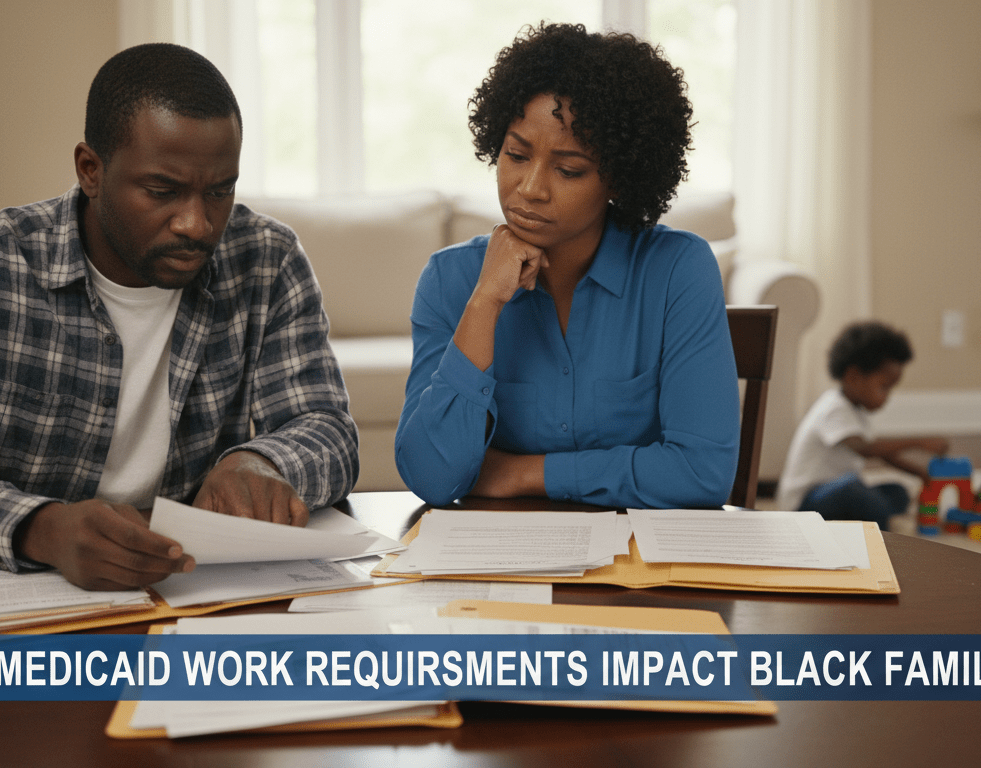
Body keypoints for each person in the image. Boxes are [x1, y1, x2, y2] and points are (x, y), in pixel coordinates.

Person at [0, 43, 358, 590]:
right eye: (162, 191)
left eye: (220, 191)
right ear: (91, 170)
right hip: (27, 599)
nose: (197, 223)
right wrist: (43, 528)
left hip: (192, 592)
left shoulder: (266, 257)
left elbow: (327, 429)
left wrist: (260, 462)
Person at [395, 23, 739, 509]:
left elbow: (702, 475)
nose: (530, 187)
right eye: (515, 155)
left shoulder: (678, 270)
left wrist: (522, 473)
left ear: (617, 177)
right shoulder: (450, 280)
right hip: (499, 567)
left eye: (568, 169)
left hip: (640, 570)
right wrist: (485, 303)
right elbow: (431, 477)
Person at [775, 321, 949, 529]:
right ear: (854, 376)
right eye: (884, 387)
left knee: (897, 492)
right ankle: (873, 523)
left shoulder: (855, 411)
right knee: (854, 490)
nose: (887, 398)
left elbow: (883, 455)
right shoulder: (833, 409)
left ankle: (859, 518)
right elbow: (866, 449)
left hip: (833, 494)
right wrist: (920, 442)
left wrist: (918, 472)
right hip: (804, 504)